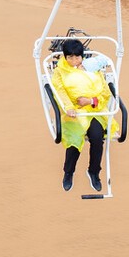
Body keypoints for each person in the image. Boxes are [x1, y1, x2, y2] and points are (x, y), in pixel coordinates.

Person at [50, 39, 119, 192]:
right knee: (74, 139)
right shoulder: (60, 72)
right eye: (70, 58)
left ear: (82, 56)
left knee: (97, 137)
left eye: (77, 57)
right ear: (65, 57)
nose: (74, 61)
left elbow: (105, 91)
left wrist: (91, 100)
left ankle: (94, 171)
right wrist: (68, 107)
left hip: (95, 110)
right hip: (75, 111)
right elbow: (59, 91)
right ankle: (68, 172)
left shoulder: (92, 68)